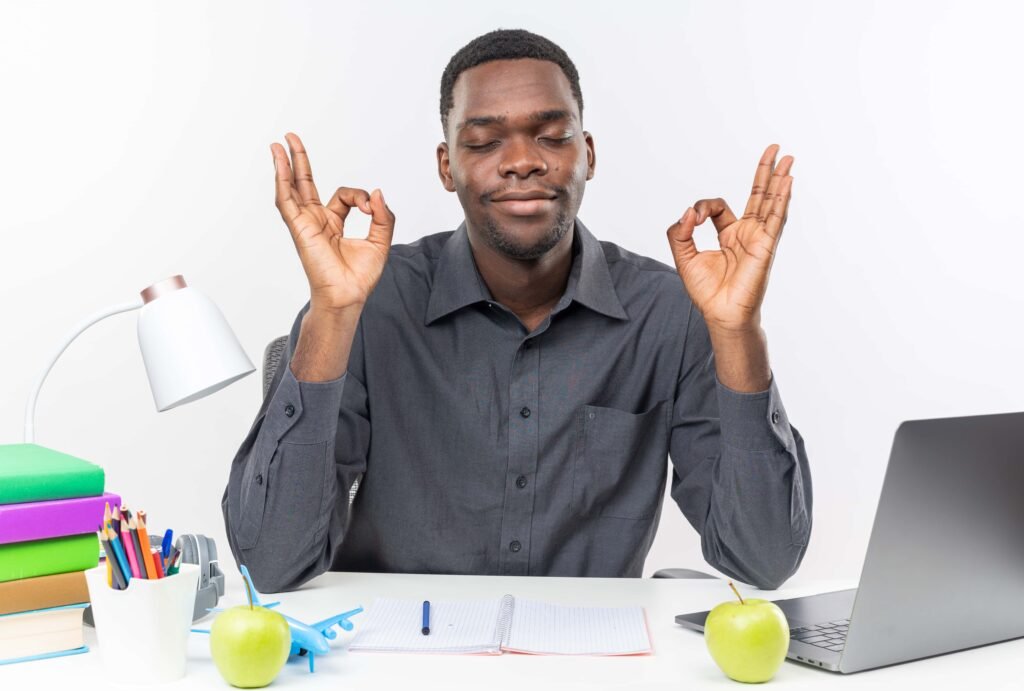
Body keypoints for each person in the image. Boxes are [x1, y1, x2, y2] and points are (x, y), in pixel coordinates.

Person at [222, 28, 811, 593]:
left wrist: (738, 332)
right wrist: (330, 313)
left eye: (552, 136)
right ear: (447, 165)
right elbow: (273, 563)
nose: (522, 161)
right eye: (483, 141)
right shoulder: (367, 303)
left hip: (588, 658)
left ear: (588, 154)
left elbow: (761, 559)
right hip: (396, 654)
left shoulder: (674, 313)